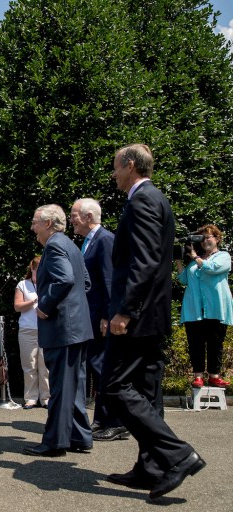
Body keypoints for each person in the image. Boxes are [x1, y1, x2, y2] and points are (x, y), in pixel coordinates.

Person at [103, 143, 204, 499]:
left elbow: (143, 263)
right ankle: (151, 467)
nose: (113, 173)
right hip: (153, 314)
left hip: (139, 316)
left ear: (130, 166)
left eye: (116, 167)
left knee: (114, 386)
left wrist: (124, 311)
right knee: (147, 391)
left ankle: (178, 455)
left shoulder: (143, 200)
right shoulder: (155, 199)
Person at [24, 204, 92, 457]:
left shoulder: (54, 246)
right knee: (74, 386)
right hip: (77, 328)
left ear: (49, 224)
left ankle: (55, 442)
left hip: (63, 329)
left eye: (35, 222)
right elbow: (85, 282)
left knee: (62, 387)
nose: (32, 228)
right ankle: (80, 437)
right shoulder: (71, 245)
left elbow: (65, 280)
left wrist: (47, 304)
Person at [70, 198, 127, 442]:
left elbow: (109, 280)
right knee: (96, 367)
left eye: (74, 214)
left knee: (102, 367)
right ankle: (102, 419)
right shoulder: (88, 241)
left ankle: (115, 421)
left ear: (89, 217)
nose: (71, 219)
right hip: (90, 316)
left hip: (100, 317)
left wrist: (107, 315)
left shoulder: (105, 240)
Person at [176, 224, 232, 388]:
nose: (205, 241)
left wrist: (195, 257)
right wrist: (178, 258)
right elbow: (183, 279)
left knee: (215, 342)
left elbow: (213, 268)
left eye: (208, 237)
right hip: (194, 308)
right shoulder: (195, 260)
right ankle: (198, 376)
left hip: (216, 307)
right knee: (195, 343)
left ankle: (214, 375)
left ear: (217, 239)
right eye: (202, 239)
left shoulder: (223, 256)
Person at [13, 256, 49, 409]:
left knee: (46, 365)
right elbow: (17, 306)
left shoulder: (49, 284)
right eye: (38, 269)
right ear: (32, 269)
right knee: (29, 364)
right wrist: (34, 301)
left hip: (46, 329)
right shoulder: (23, 284)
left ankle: (46, 398)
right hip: (28, 330)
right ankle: (31, 398)